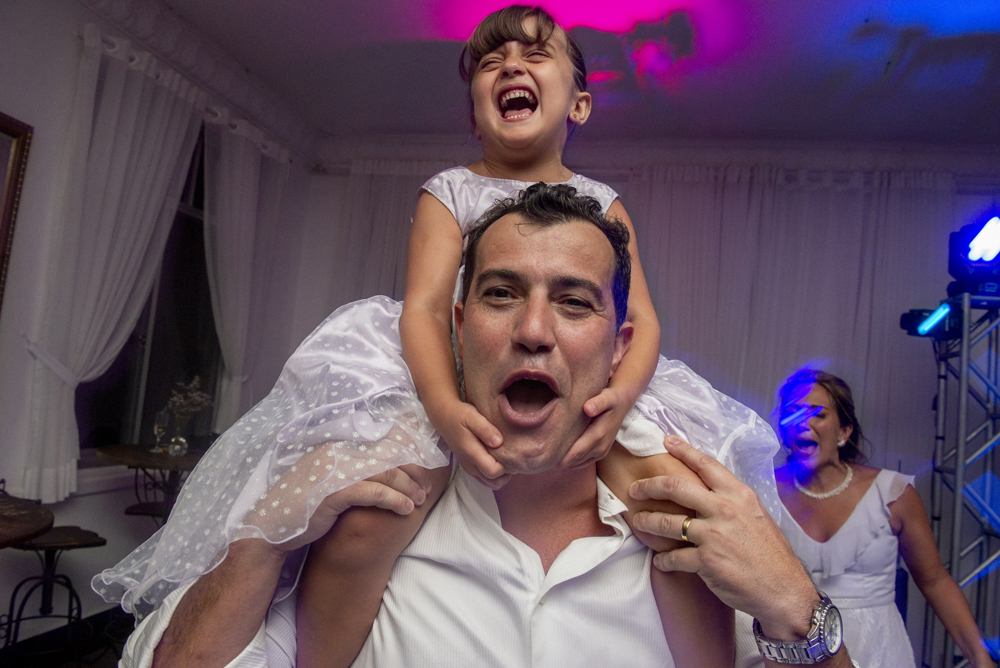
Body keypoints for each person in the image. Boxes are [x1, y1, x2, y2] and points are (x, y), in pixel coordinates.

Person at [95, 6, 775, 665]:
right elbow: (424, 310)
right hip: (440, 380)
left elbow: (643, 322)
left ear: (580, 104)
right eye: (490, 61)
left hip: (601, 394)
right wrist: (446, 411)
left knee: (677, 519)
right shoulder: (448, 191)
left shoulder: (604, 203)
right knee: (373, 512)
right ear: (474, 107)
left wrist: (619, 401)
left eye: (536, 53)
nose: (510, 64)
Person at [119, 184, 852, 668]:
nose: (534, 330)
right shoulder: (364, 531)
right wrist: (259, 538)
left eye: (573, 302)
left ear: (620, 349)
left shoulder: (699, 550)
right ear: (460, 333)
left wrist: (798, 604)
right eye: (502, 294)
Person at [764, 368, 996, 668]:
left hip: (879, 650)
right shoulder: (763, 490)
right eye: (792, 414)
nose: (802, 423)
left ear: (844, 431)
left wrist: (980, 657)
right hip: (798, 650)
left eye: (818, 414)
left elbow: (935, 580)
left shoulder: (893, 493)